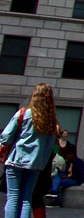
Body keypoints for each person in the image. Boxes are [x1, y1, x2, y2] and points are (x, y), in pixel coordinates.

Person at [3, 84, 60, 218]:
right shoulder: (52, 121)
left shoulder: (24, 113)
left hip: (16, 159)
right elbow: (49, 146)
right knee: (26, 198)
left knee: (13, 197)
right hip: (36, 164)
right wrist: (43, 163)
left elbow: (6, 137)